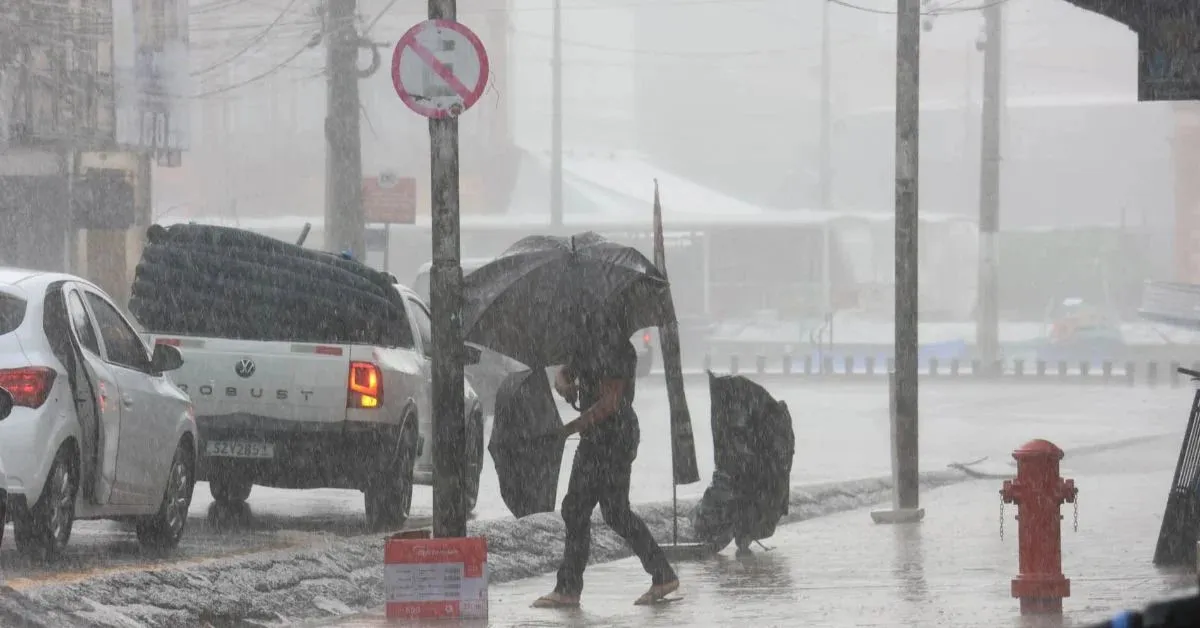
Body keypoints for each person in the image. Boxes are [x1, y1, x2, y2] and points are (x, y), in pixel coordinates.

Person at [533, 323, 679, 608]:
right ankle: (659, 574)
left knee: (604, 511)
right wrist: (565, 385)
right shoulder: (587, 340)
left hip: (614, 438)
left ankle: (570, 588)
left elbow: (610, 402)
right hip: (595, 438)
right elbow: (563, 373)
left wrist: (569, 428)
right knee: (587, 510)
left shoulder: (618, 349)